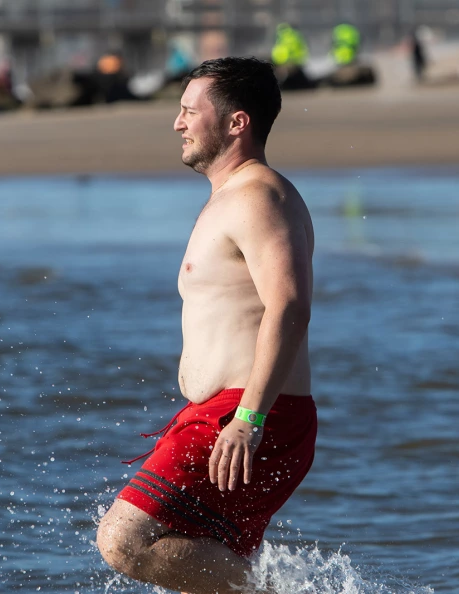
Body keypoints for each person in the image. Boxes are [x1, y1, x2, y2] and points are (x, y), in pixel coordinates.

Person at [96, 57, 318, 594]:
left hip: (249, 413)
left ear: (236, 123)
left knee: (122, 541)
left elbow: (288, 306)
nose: (178, 123)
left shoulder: (257, 197)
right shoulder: (232, 197)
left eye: (190, 111)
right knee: (192, 557)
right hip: (232, 412)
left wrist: (248, 418)